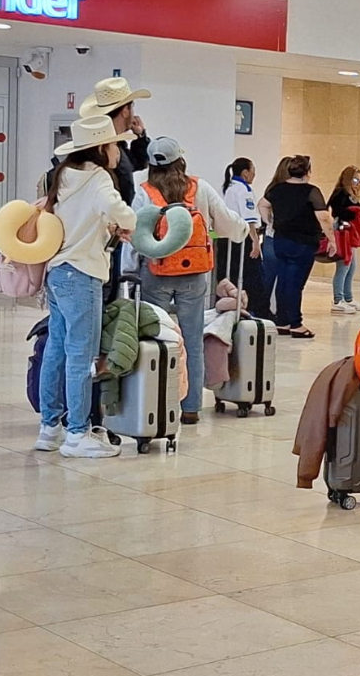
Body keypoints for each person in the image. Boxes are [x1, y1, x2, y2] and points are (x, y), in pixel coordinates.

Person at [34, 115, 137, 459]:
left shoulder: (63, 175)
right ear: (101, 148)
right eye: (114, 145)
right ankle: (77, 434)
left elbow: (78, 218)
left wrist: (107, 226)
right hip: (82, 275)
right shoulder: (98, 179)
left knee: (56, 349)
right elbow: (119, 210)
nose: (118, 152)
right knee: (81, 354)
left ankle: (50, 428)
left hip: (58, 271)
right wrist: (128, 223)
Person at [132, 138, 248, 425]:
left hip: (156, 273)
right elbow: (227, 223)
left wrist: (129, 270)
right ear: (180, 160)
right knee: (193, 339)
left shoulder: (145, 192)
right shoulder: (200, 187)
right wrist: (243, 229)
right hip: (195, 274)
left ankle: (158, 400)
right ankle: (191, 407)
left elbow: (135, 235)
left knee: (157, 337)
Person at [258, 155, 335, 340]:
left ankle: (283, 321)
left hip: (281, 240)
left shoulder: (277, 189)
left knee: (283, 280)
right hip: (303, 242)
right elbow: (324, 217)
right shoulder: (311, 191)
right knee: (295, 283)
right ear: (307, 172)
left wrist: (270, 220)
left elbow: (263, 204)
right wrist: (332, 239)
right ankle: (296, 323)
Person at [77, 77, 152, 204]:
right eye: (131, 107)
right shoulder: (102, 147)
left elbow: (136, 165)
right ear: (125, 111)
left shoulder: (117, 145)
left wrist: (140, 137)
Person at [218, 157, 271, 320]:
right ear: (245, 172)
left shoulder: (228, 187)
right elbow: (248, 220)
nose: (254, 175)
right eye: (253, 171)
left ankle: (231, 306)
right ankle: (257, 310)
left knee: (230, 276)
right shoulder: (244, 190)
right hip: (241, 239)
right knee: (252, 277)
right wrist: (255, 242)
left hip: (226, 238)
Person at [328, 165, 360, 314]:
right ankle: (338, 299)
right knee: (344, 266)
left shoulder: (351, 195)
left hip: (351, 234)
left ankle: (348, 297)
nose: (357, 183)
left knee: (351, 267)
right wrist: (356, 214)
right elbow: (339, 212)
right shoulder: (340, 194)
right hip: (343, 233)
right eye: (355, 179)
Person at [260, 156, 293, 314]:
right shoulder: (286, 192)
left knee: (268, 277)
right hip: (280, 239)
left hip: (270, 237)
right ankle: (278, 313)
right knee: (281, 279)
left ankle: (263, 310)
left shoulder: (272, 189)